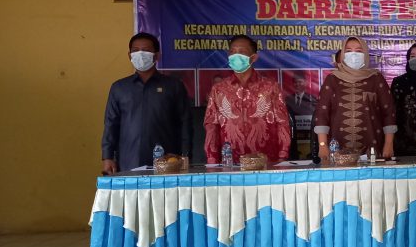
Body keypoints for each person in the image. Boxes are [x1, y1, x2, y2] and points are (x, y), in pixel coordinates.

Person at [101, 32, 193, 174]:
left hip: (168, 161)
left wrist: (185, 155)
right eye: (135, 50)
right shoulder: (119, 88)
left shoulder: (174, 86)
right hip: (128, 160)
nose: (140, 54)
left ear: (157, 56)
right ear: (129, 56)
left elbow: (185, 123)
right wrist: (107, 157)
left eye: (146, 50)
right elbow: (110, 124)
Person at [203, 35, 291, 163]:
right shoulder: (219, 89)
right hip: (230, 163)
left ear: (253, 58)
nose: (236, 56)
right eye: (232, 52)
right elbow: (211, 126)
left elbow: (282, 124)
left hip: (266, 162)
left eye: (241, 52)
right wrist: (212, 159)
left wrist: (283, 156)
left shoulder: (270, 87)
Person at [315, 36, 396, 158]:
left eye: (358, 51)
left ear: (365, 54)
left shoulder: (376, 79)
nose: (353, 55)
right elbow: (322, 113)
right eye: (348, 51)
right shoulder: (332, 80)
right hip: (338, 152)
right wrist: (322, 145)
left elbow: (389, 112)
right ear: (343, 54)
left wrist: (389, 144)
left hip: (371, 149)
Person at [390, 44, 416, 156]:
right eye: (412, 56)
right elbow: (393, 112)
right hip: (403, 141)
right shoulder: (399, 82)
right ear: (407, 59)